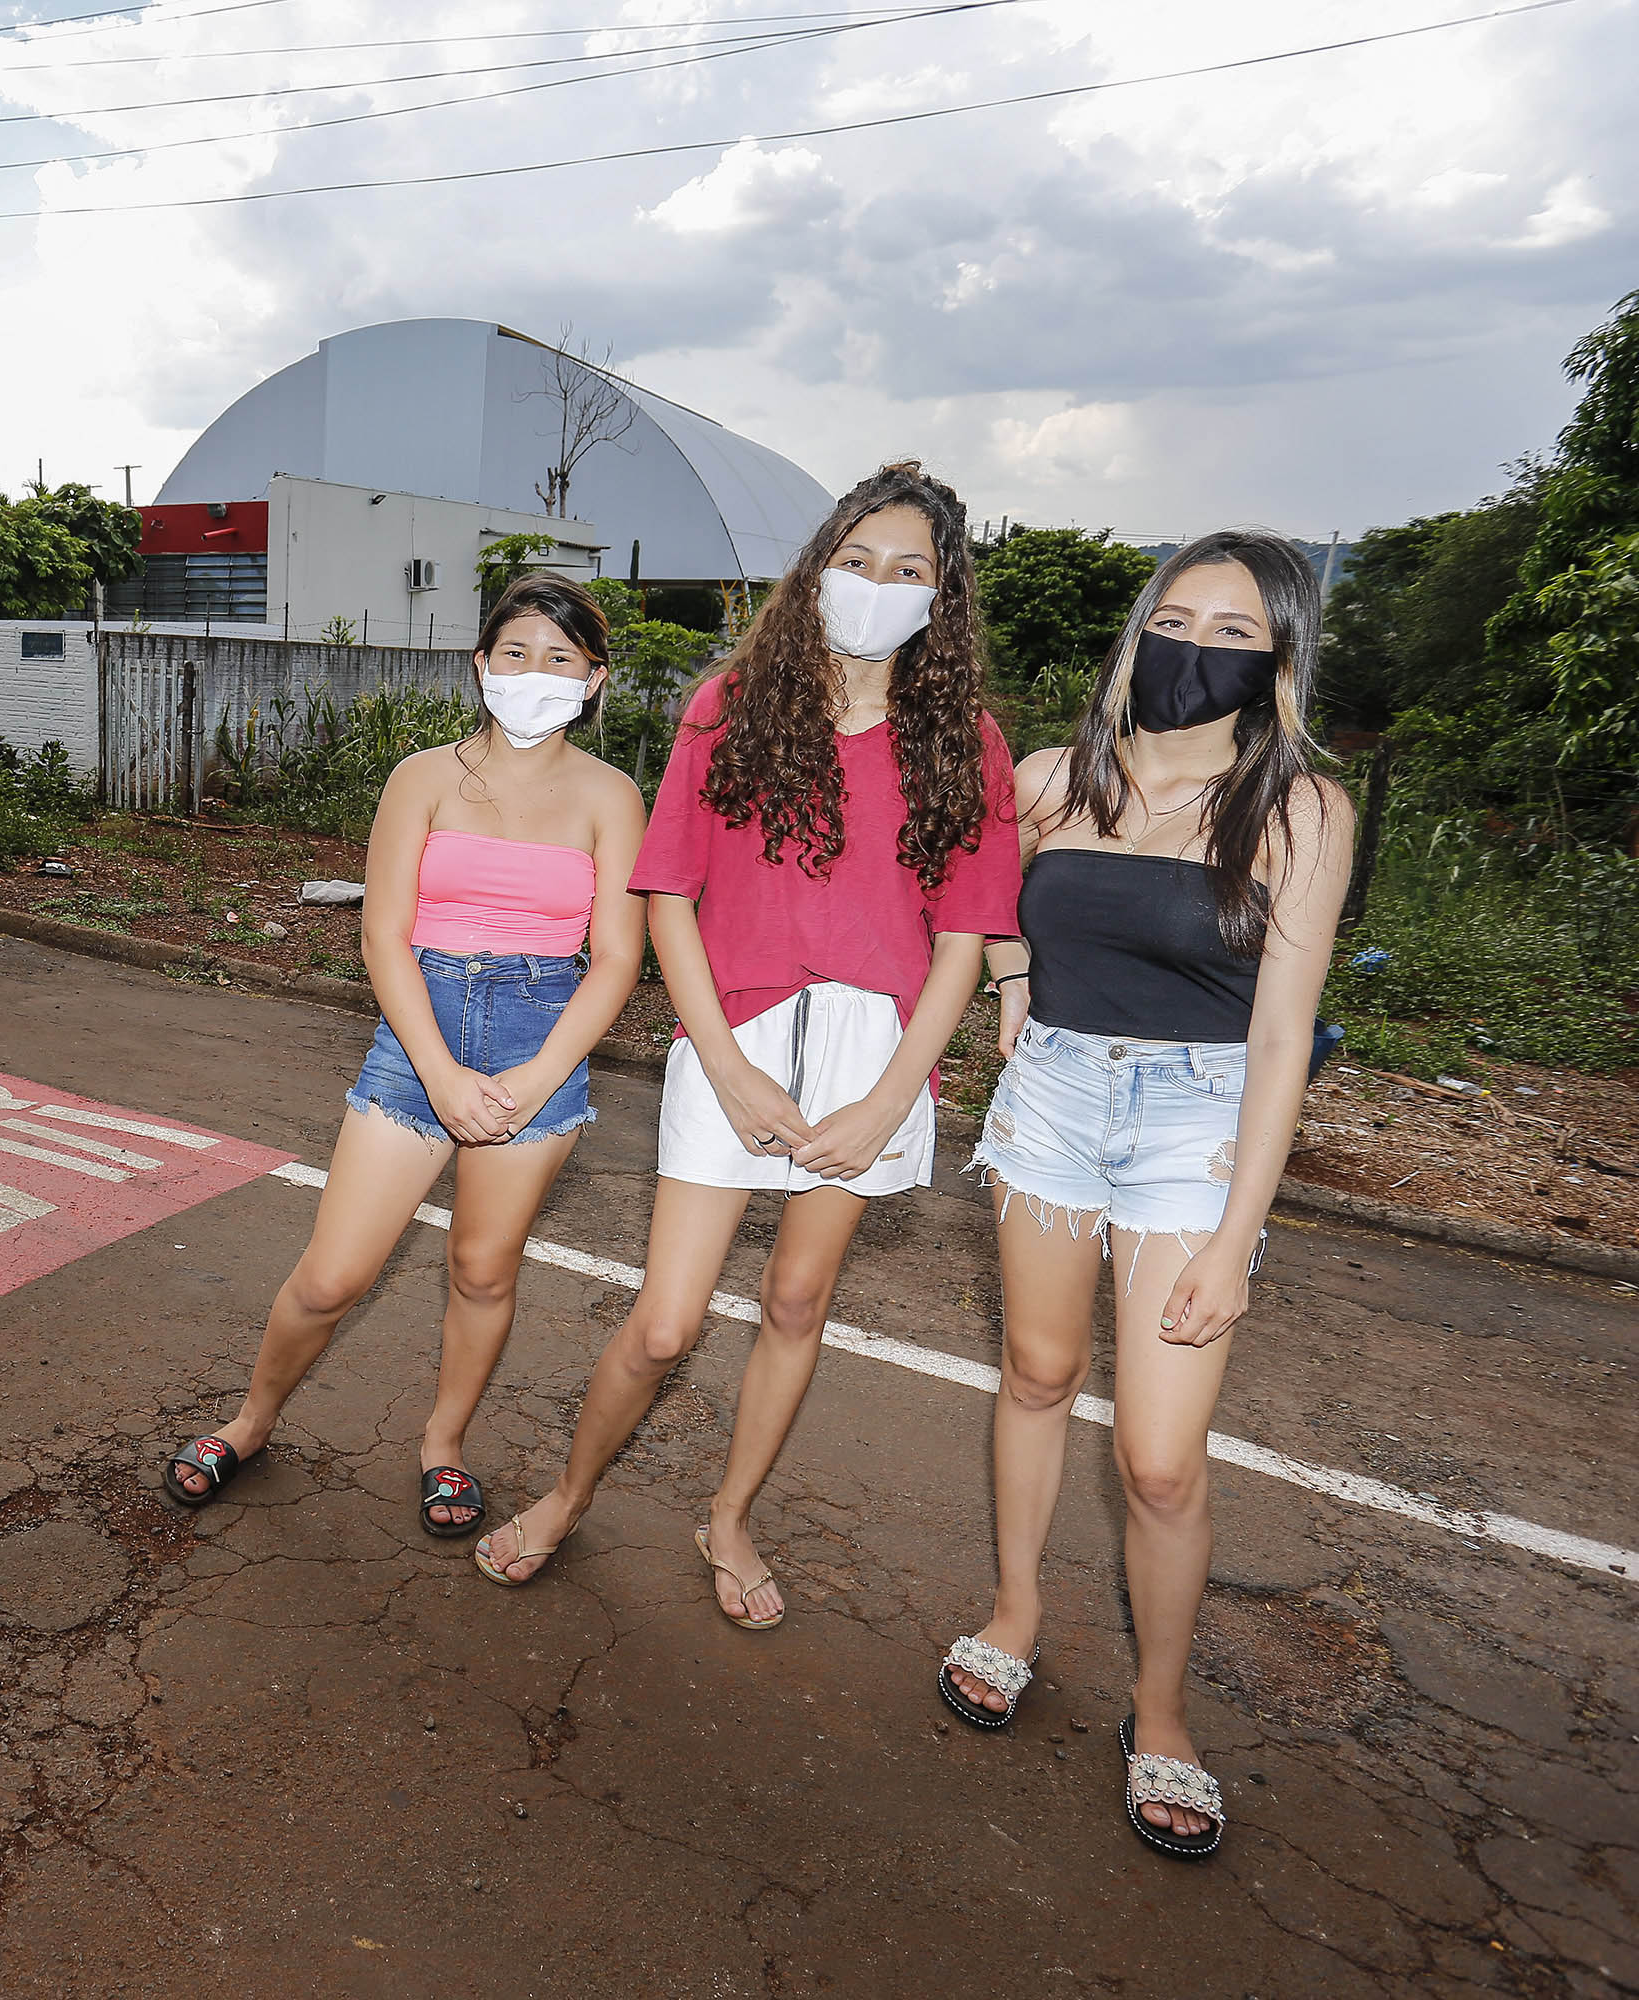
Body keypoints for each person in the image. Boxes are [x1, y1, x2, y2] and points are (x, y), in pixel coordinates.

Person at [474, 463, 1018, 1618]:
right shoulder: (729, 706)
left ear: (943, 598)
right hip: (732, 1033)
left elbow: (966, 932)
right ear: (819, 568)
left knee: (797, 1301)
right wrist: (722, 1061)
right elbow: (668, 891)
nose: (878, 585)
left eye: (910, 569)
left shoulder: (965, 740)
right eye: (858, 559)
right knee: (666, 1319)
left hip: (881, 1054)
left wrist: (885, 1104)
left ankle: (728, 1517)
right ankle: (571, 1492)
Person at [936, 530, 1351, 1862]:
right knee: (1039, 1374)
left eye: (1237, 634)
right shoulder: (1057, 783)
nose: (1201, 649)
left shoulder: (1301, 811)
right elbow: (985, 906)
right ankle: (1013, 1615)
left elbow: (1286, 1035)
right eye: (1182, 619)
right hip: (1051, 1096)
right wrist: (1010, 986)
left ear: (1280, 657)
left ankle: (1160, 1714)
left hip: (1197, 1120)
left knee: (1161, 1460)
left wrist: (1237, 1234)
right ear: (1139, 629)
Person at [163, 575, 647, 1538]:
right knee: (332, 1275)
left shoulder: (613, 796)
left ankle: (443, 1444)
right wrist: (438, 1073)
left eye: (560, 659)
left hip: (537, 1046)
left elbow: (618, 959)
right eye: (514, 653)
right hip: (418, 1037)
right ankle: (251, 1421)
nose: (533, 674)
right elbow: (384, 934)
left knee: (482, 1271)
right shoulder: (420, 777)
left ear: (593, 682)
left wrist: (531, 1079)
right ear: (480, 665)